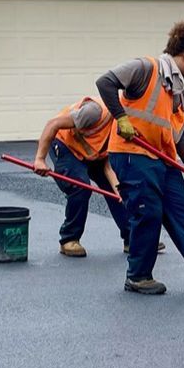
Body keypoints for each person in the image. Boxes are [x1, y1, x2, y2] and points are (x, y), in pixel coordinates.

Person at [98, 19, 184, 296]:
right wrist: (121, 117)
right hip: (132, 155)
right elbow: (105, 82)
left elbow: (179, 133)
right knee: (147, 213)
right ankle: (138, 276)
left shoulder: (179, 90)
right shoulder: (146, 68)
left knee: (182, 213)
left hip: (162, 160)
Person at [31, 97, 132, 258]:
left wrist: (118, 189)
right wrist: (40, 159)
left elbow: (107, 164)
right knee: (80, 186)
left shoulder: (121, 129)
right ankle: (69, 239)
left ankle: (132, 238)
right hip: (66, 145)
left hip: (92, 153)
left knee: (121, 193)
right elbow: (53, 124)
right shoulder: (94, 112)